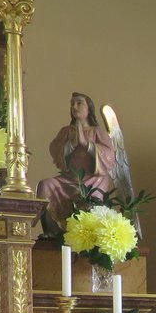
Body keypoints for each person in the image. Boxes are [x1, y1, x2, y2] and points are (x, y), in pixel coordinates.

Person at [36, 92, 116, 236]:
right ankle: (52, 231)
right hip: (69, 179)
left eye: (79, 103)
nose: (74, 106)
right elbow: (54, 149)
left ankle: (87, 234)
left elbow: (110, 156)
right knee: (45, 185)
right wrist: (71, 144)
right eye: (72, 104)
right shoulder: (66, 131)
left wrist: (87, 144)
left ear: (89, 108)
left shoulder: (97, 132)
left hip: (93, 180)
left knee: (90, 197)